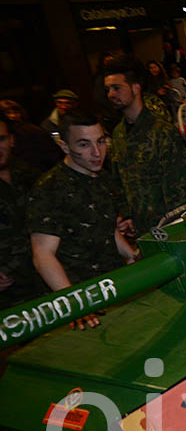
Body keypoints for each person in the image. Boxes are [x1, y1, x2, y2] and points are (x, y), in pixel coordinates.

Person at [27, 110, 136, 328]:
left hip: (114, 287)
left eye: (101, 141)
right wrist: (73, 303)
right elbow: (42, 255)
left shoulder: (101, 177)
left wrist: (130, 254)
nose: (97, 153)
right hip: (81, 299)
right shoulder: (50, 188)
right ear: (64, 146)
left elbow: (105, 225)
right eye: (84, 145)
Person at [104, 55, 186, 235]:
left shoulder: (161, 130)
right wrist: (127, 216)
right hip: (140, 230)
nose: (111, 95)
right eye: (107, 89)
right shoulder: (118, 134)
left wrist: (177, 228)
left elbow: (181, 188)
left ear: (135, 88)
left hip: (169, 229)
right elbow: (119, 181)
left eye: (117, 88)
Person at [0, 114, 40, 309]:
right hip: (7, 297)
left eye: (1, 139)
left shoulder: (30, 174)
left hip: (41, 284)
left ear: (12, 140)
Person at [0, 99, 62, 173]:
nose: (13, 116)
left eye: (16, 112)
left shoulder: (33, 131)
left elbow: (51, 154)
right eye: (8, 113)